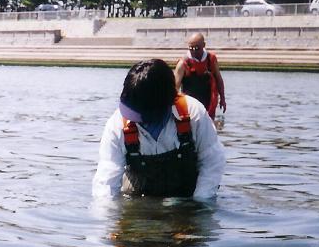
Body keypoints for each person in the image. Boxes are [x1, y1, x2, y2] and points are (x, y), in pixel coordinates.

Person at [92, 58, 225, 200]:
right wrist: (105, 216)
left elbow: (212, 162)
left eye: (141, 115)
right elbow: (106, 181)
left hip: (188, 196)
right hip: (139, 198)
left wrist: (199, 205)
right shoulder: (117, 125)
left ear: (167, 103)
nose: (135, 121)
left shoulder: (194, 114)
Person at [174, 33, 227, 119]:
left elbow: (219, 79)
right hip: (191, 107)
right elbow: (175, 88)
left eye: (196, 48)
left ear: (204, 45)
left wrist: (223, 99)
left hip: (209, 104)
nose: (194, 51)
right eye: (191, 48)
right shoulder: (183, 64)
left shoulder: (211, 59)